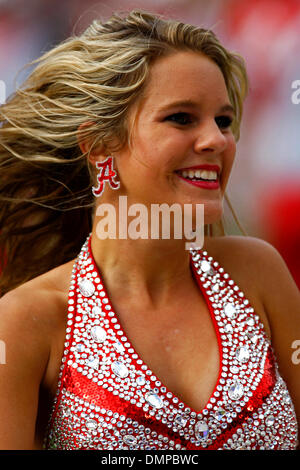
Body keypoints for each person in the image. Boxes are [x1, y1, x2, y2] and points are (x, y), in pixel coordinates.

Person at [0, 10, 299, 451]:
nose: (216, 140)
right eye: (181, 118)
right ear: (100, 146)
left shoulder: (258, 272)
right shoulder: (27, 320)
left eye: (223, 120)